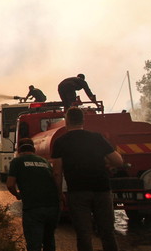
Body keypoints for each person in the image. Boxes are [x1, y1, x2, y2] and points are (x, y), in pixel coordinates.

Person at [51, 107, 123, 251]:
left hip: (77, 192)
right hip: (102, 190)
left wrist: (59, 195)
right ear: (83, 120)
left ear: (67, 121)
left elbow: (57, 172)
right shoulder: (97, 137)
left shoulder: (60, 142)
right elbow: (118, 161)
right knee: (107, 232)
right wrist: (104, 162)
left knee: (83, 234)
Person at [7, 138, 59, 251]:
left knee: (34, 244)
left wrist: (17, 195)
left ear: (18, 150)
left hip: (33, 208)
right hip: (52, 207)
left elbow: (10, 184)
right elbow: (55, 179)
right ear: (34, 149)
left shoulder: (17, 161)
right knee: (49, 242)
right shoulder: (44, 161)